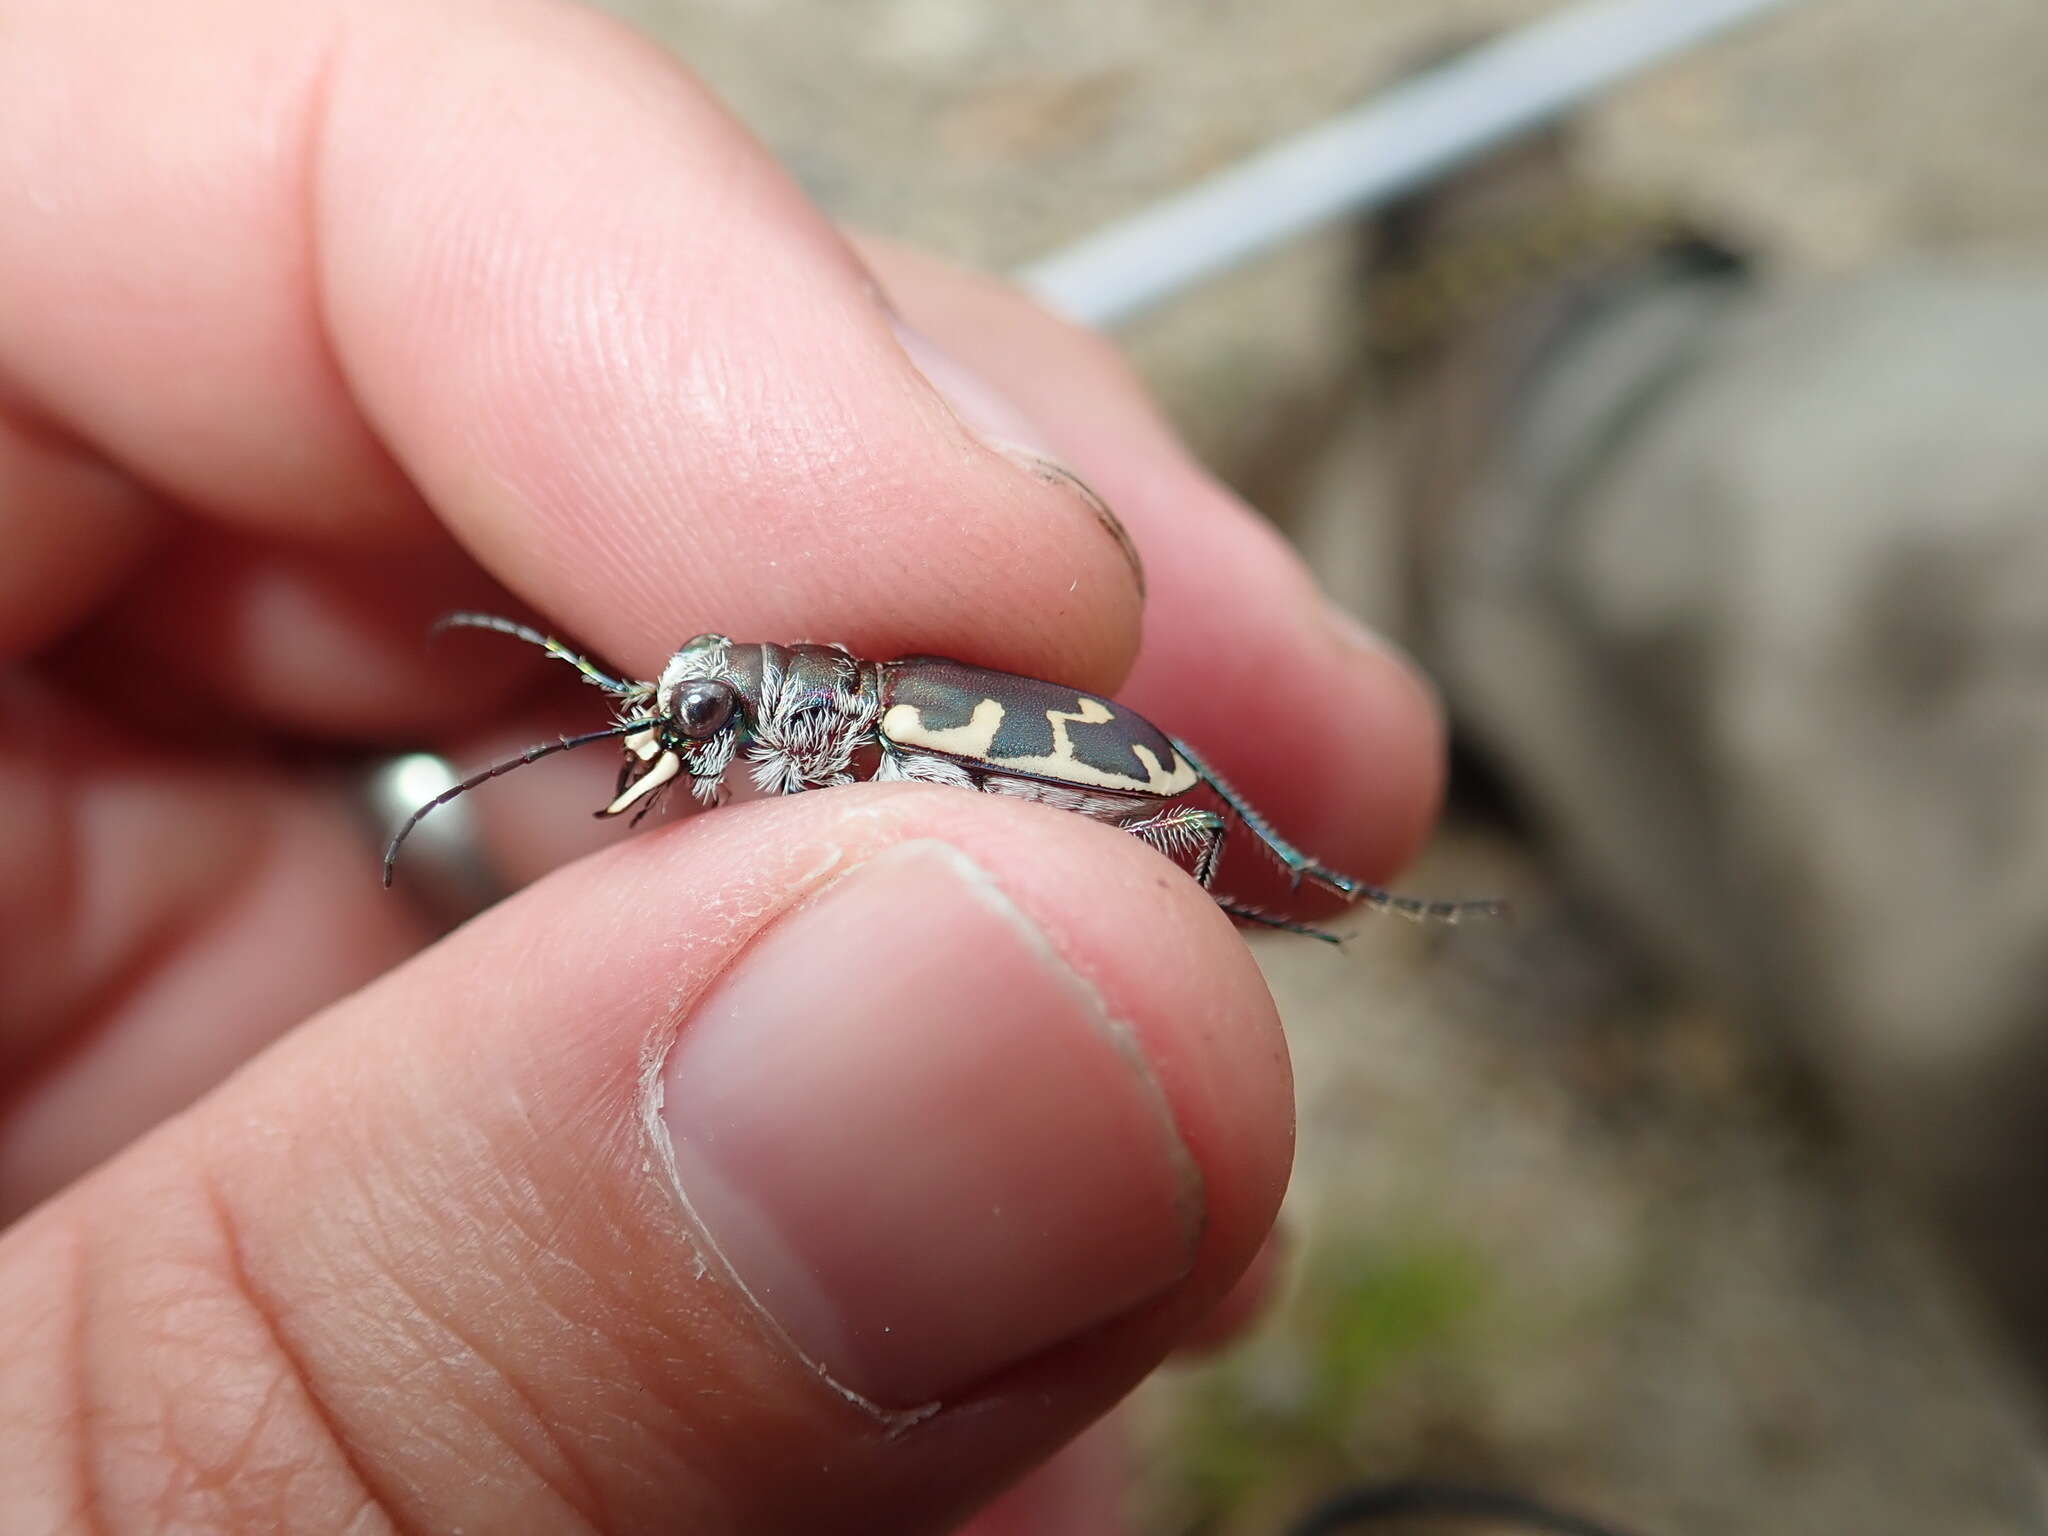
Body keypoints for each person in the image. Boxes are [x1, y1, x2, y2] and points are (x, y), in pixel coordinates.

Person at [0, 0, 1449, 1530]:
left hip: (1083, 775)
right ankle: (1317, 899)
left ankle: (1326, 897)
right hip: (1083, 801)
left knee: (1110, 842)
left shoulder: (868, 725)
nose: (660, 765)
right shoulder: (816, 733)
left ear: (784, 720)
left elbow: (1129, 783)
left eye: (694, 735)